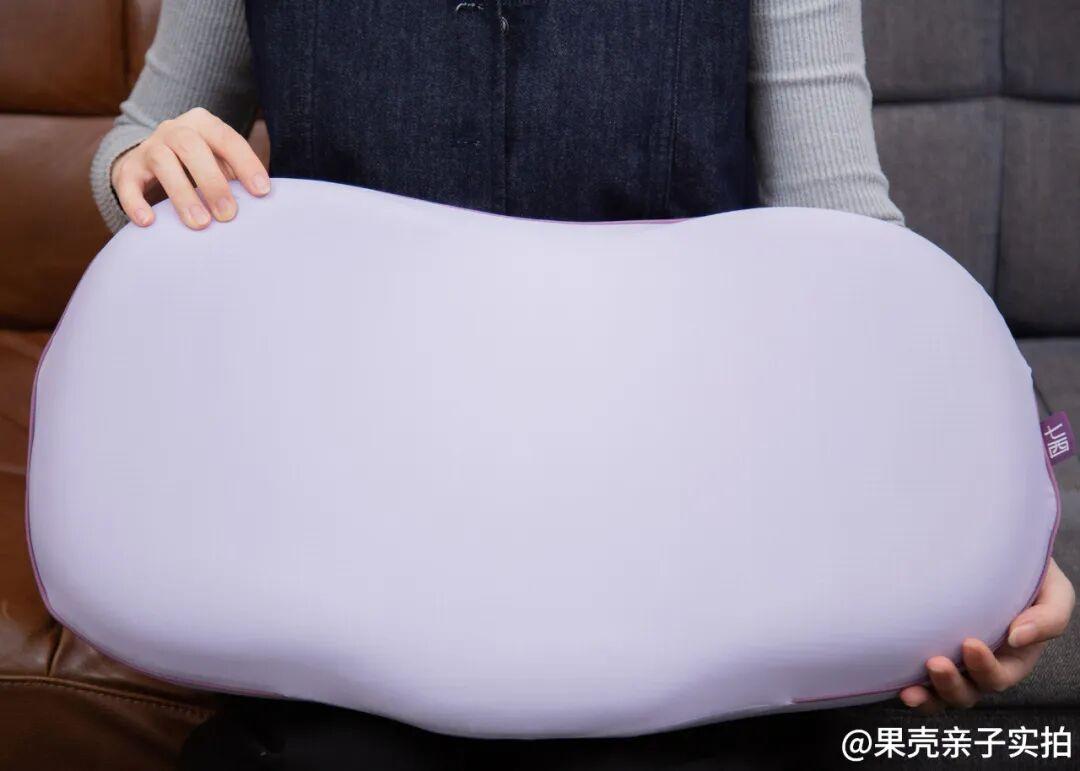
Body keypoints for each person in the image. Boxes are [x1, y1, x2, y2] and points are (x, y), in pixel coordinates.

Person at [91, 0, 1075, 768]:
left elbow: (851, 240)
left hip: (691, 544)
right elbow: (134, 149)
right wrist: (148, 161)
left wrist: (997, 524)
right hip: (351, 536)